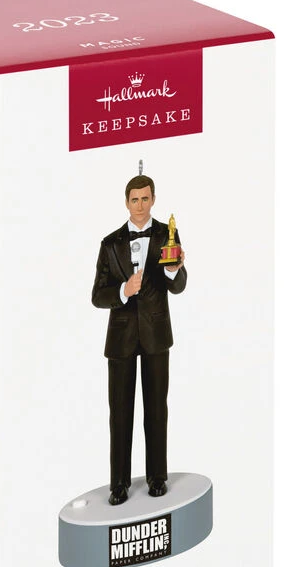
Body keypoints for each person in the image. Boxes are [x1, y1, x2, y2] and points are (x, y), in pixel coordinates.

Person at [91, 175, 187, 505]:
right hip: (120, 339)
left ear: (153, 199)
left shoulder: (166, 234)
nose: (140, 205)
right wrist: (123, 290)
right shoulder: (109, 243)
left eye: (145, 198)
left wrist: (173, 269)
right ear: (126, 202)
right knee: (119, 413)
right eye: (135, 199)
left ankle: (157, 477)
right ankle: (118, 483)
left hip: (156, 335)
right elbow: (97, 295)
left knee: (156, 410)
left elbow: (178, 286)